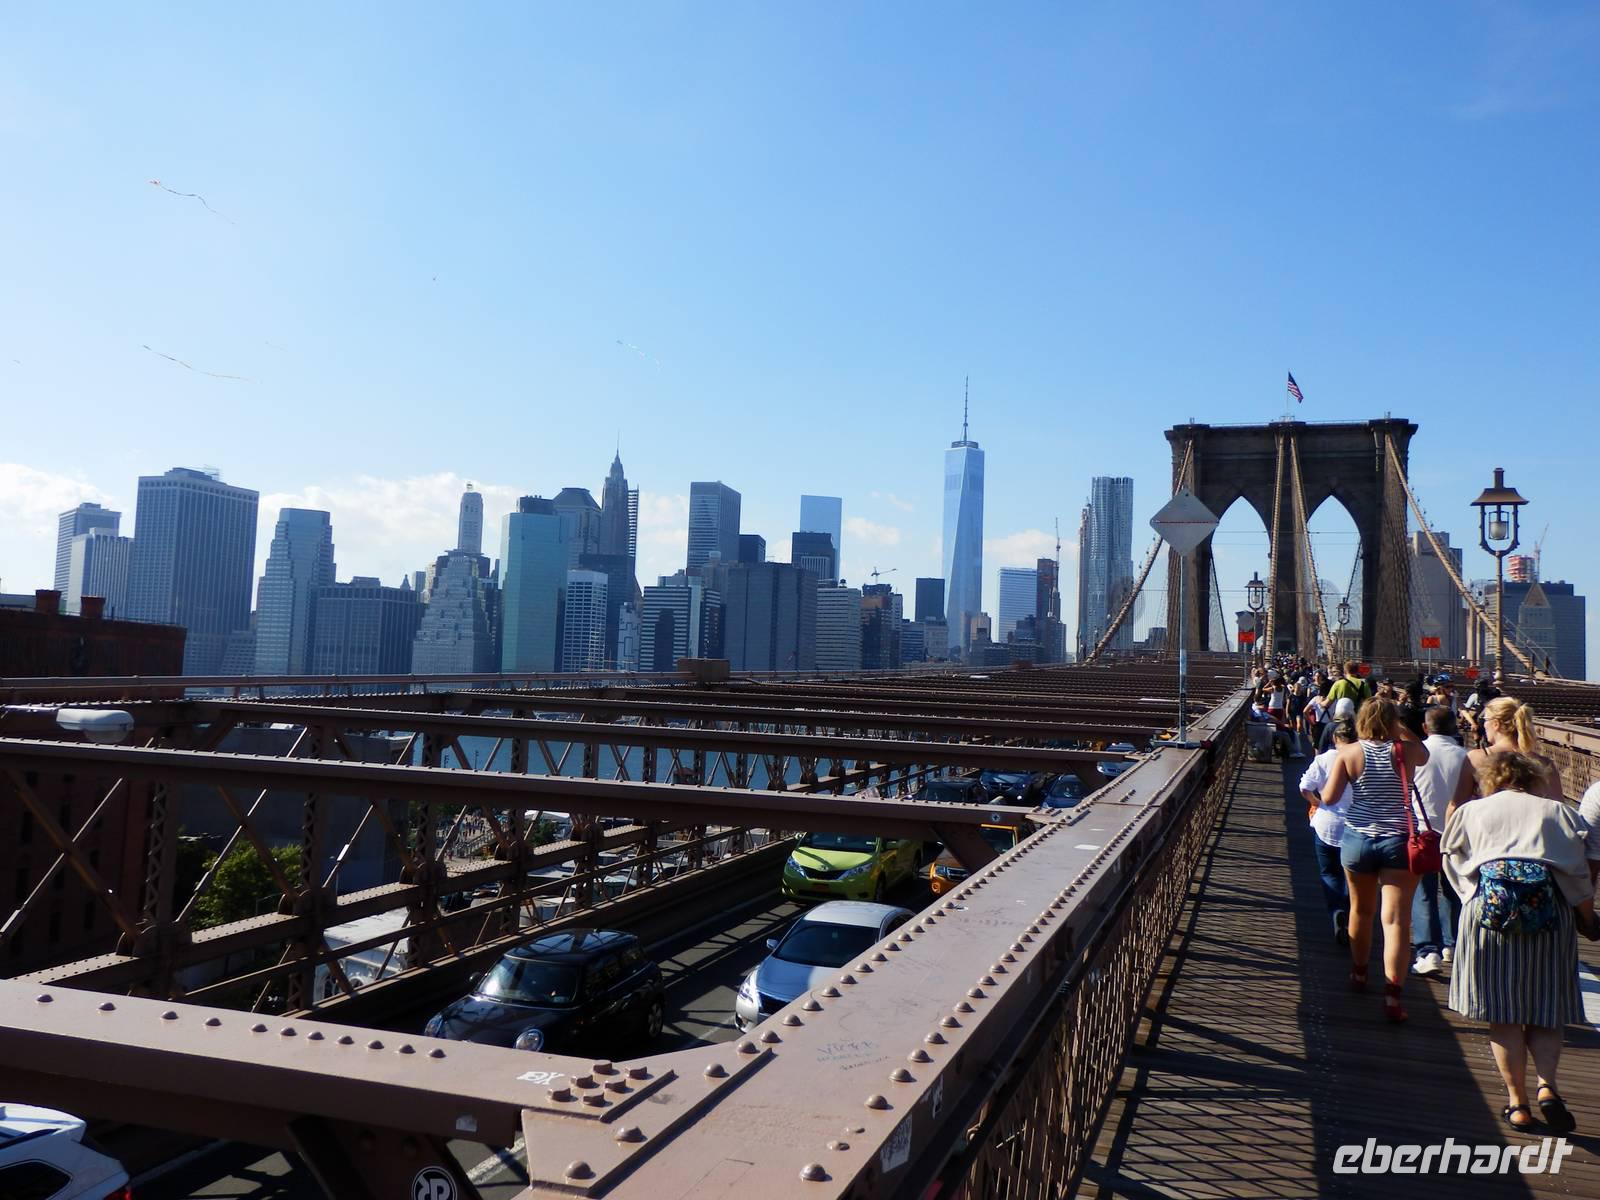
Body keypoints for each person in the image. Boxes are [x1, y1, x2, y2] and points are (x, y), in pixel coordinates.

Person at [1443, 751, 1600, 1133]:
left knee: (1504, 1015)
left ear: (1491, 780)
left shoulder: (1471, 812)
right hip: (1549, 917)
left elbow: (1449, 857)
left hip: (1489, 917)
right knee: (1545, 1010)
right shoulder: (1558, 813)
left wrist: (1470, 895)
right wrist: (1586, 917)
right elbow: (1578, 876)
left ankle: (1518, 1105)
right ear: (1533, 779)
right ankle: (1547, 1086)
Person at [1321, 696, 1430, 1021]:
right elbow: (1424, 753)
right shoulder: (1407, 750)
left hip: (1358, 839)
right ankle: (1393, 996)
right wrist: (1400, 728)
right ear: (1394, 721)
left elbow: (1329, 797)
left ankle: (1359, 973)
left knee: (1361, 910)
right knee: (1396, 921)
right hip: (1398, 840)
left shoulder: (1350, 753)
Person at [1410, 707, 1474, 976]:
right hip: (1457, 833)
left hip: (1422, 832)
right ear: (1454, 727)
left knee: (1423, 893)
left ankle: (1428, 951)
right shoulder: (1466, 757)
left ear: (1425, 728)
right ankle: (1451, 943)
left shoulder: (1416, 754)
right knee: (1453, 891)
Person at [1300, 719, 1358, 944]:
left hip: (1326, 824)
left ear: (1334, 738)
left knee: (1329, 873)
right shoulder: (1362, 758)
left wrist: (1316, 803)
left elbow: (1305, 787)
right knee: (1352, 874)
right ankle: (1351, 913)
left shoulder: (1323, 759)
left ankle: (1337, 911)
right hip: (1355, 826)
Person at [1464, 696, 1564, 807]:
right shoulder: (1545, 764)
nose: (1483, 724)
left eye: (1485, 720)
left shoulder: (1476, 758)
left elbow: (1457, 804)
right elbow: (1558, 807)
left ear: (1496, 724)